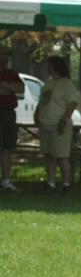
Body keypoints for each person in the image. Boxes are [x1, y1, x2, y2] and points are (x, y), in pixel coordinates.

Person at [34, 56, 79, 194]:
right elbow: (42, 101)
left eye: (50, 66)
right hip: (45, 123)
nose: (47, 68)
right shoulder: (48, 83)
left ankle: (66, 184)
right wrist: (37, 115)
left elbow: (72, 104)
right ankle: (51, 183)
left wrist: (64, 121)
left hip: (59, 124)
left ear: (57, 67)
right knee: (48, 154)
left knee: (61, 155)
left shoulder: (67, 84)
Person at [0, 45, 25, 192]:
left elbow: (21, 89)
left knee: (7, 147)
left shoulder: (12, 73)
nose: (5, 60)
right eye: (3, 56)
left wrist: (4, 85)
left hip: (9, 113)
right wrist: (10, 88)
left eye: (6, 57)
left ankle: (6, 181)